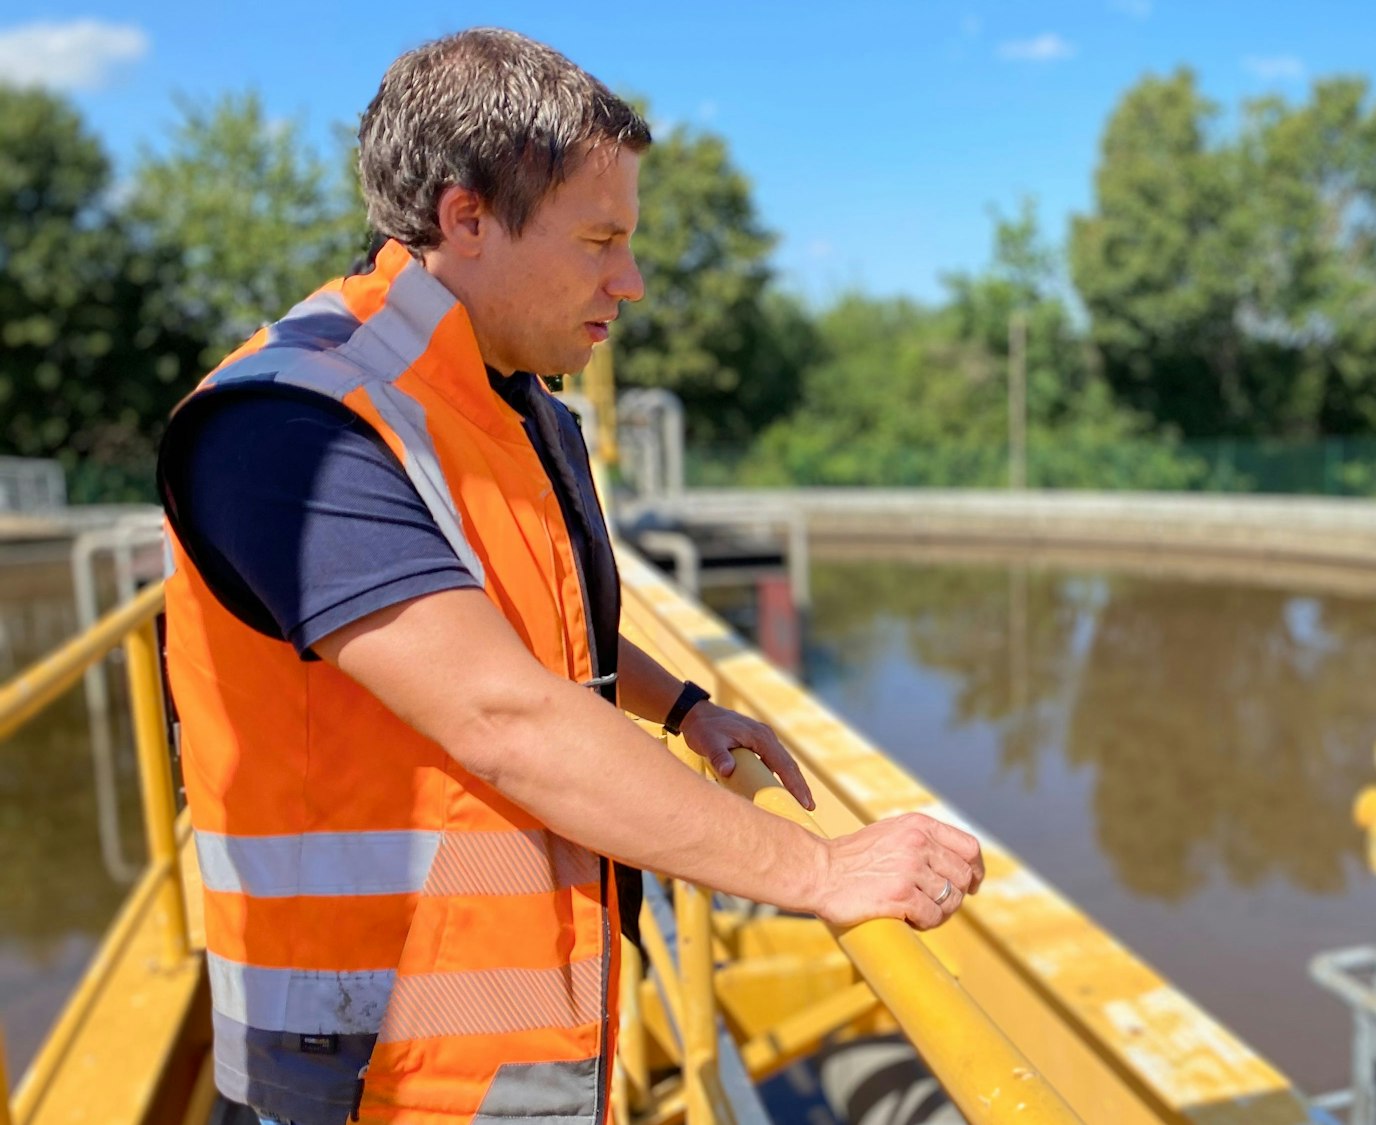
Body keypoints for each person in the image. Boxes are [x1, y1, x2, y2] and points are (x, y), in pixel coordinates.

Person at [155, 27, 982, 1125]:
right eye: (599, 240)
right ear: (466, 219)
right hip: (367, 1066)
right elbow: (503, 715)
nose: (630, 283)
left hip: (517, 1031)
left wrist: (679, 706)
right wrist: (823, 873)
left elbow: (518, 639)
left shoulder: (512, 401)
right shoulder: (297, 424)